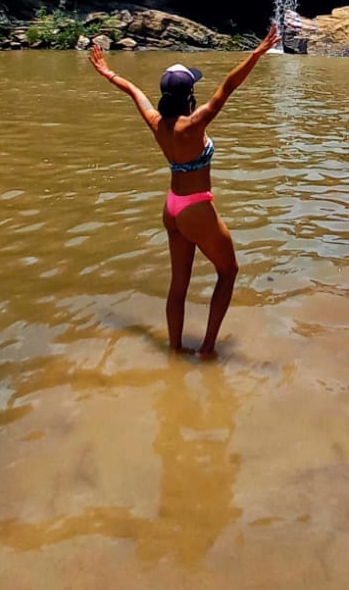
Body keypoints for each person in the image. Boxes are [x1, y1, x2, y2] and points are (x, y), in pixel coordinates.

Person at [89, 24, 279, 357]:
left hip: (172, 207)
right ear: (189, 96)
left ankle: (174, 350)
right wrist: (257, 53)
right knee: (229, 271)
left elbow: (133, 90)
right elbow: (228, 86)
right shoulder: (195, 123)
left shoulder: (156, 121)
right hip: (195, 208)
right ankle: (207, 349)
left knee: (178, 286)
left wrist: (108, 72)